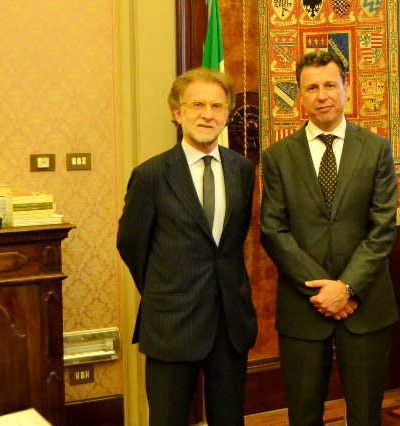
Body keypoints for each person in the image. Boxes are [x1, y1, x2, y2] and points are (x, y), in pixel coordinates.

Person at [260, 50, 399, 425]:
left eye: (330, 85)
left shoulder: (376, 149)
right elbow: (273, 230)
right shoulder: (277, 157)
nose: (322, 95)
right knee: (304, 414)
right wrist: (325, 291)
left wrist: (347, 287)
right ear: (300, 96)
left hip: (366, 305)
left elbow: (383, 227)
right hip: (304, 307)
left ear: (346, 88)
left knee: (366, 415)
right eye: (312, 88)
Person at [117, 67, 257, 426]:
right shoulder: (151, 175)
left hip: (229, 323)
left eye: (217, 106)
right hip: (171, 322)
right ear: (178, 113)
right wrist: (167, 290)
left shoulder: (242, 170)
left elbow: (232, 241)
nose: (207, 114)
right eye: (197, 105)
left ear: (227, 115)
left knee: (230, 419)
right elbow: (131, 245)